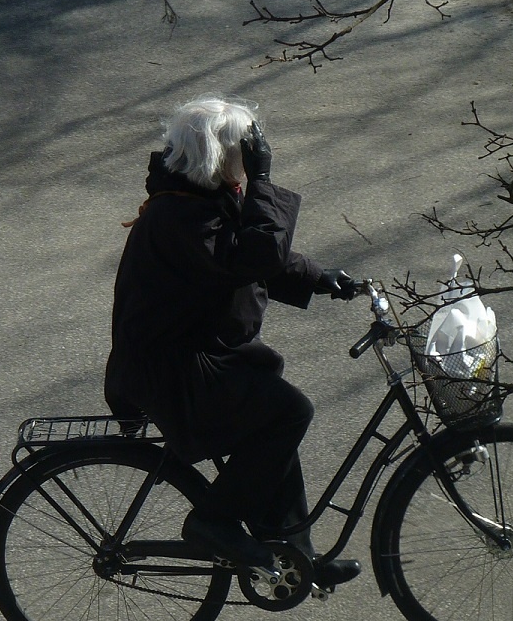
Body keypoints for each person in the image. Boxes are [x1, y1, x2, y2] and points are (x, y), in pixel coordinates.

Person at [105, 94, 361, 588]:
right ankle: (213, 522)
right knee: (288, 412)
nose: (249, 158)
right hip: (174, 370)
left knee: (271, 423)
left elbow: (252, 253)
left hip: (198, 357)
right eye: (244, 150)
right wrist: (263, 180)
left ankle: (294, 555)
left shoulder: (196, 198)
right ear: (218, 155)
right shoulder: (179, 215)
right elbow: (252, 256)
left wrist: (319, 279)